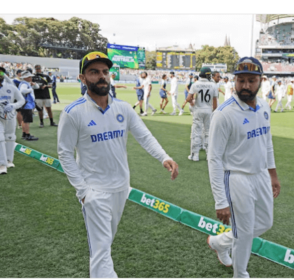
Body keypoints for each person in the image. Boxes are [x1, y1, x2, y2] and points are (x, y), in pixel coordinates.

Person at [57, 51, 179, 278]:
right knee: (101, 252)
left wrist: (164, 157)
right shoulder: (73, 113)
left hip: (122, 188)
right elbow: (64, 153)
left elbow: (144, 136)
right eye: (94, 72)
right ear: (82, 78)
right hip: (95, 191)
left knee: (105, 245)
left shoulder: (123, 108)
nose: (102, 76)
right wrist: (83, 192)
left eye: (105, 71)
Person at [207, 57, 281, 278]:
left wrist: (273, 175)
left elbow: (266, 142)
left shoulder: (265, 106)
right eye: (241, 81)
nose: (246, 86)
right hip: (236, 177)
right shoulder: (223, 114)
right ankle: (240, 274)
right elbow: (214, 158)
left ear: (260, 81)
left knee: (265, 223)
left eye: (251, 80)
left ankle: (220, 242)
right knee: (245, 232)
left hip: (260, 175)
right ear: (234, 81)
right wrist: (220, 201)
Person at [186, 67, 218, 161]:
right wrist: (214, 112)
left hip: (198, 110)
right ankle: (209, 155)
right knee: (208, 133)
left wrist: (191, 100)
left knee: (197, 132)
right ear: (208, 75)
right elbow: (215, 101)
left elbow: (188, 99)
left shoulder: (195, 84)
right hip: (208, 110)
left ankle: (195, 155)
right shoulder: (213, 85)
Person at [0, 67, 25, 174]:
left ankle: (9, 160)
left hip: (9, 115)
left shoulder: (11, 87)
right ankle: (2, 164)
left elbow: (21, 100)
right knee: (0, 138)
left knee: (10, 137)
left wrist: (13, 105)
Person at [18, 71, 39, 141]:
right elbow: (22, 91)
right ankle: (27, 135)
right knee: (27, 121)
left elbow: (37, 86)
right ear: (26, 77)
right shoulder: (24, 84)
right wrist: (31, 89)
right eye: (29, 77)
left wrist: (33, 85)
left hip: (25, 104)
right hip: (27, 105)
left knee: (25, 120)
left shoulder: (25, 83)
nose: (31, 78)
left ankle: (24, 134)